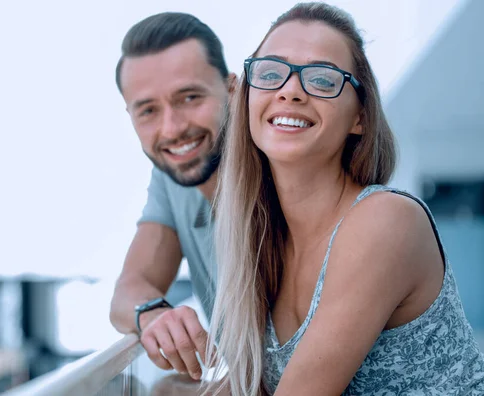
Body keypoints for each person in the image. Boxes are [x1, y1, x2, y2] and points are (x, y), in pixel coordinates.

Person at [205, 2, 484, 395]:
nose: (290, 91)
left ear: (361, 117)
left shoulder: (385, 220)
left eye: (321, 79)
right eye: (270, 73)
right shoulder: (262, 241)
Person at [109, 12, 236, 382]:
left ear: (233, 90)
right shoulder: (173, 178)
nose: (173, 129)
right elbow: (128, 290)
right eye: (148, 110)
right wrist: (154, 313)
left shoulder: (283, 177)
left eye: (190, 97)